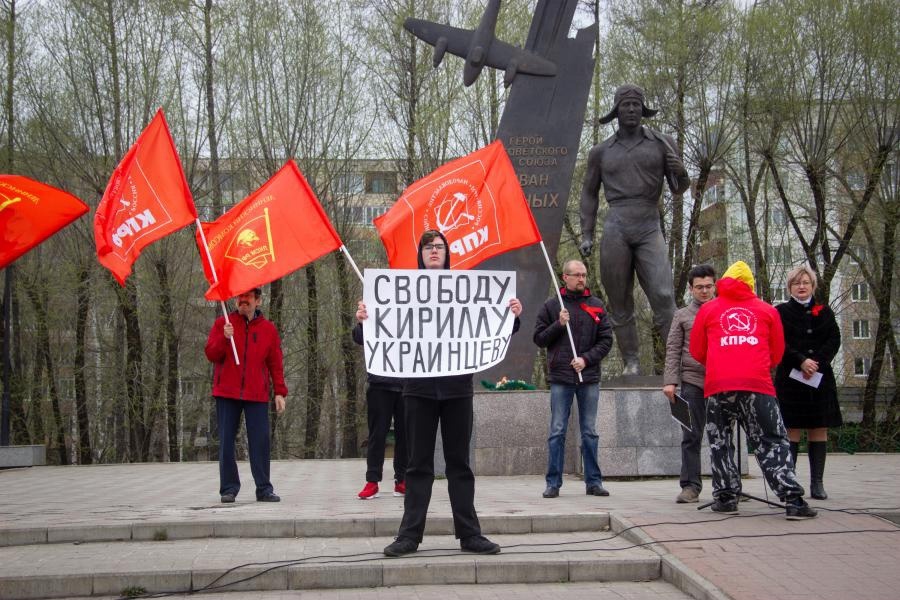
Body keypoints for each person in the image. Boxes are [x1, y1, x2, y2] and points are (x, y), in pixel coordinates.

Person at [358, 230, 523, 557]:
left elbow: (491, 326)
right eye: (428, 247)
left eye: (439, 247)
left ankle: (470, 534)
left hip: (457, 390)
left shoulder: (466, 288)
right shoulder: (400, 291)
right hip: (418, 390)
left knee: (459, 464)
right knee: (417, 466)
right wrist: (364, 319)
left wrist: (512, 315)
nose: (434, 252)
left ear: (448, 254)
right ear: (420, 254)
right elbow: (366, 336)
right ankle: (409, 536)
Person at [689, 261, 816, 519]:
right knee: (771, 440)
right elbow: (777, 352)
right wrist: (754, 366)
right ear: (751, 284)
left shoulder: (708, 310)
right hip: (758, 386)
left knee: (720, 442)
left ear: (723, 281)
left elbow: (697, 350)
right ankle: (792, 500)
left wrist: (720, 364)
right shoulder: (767, 311)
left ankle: (725, 498)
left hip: (718, 386)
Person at [579, 84, 691, 375]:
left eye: (636, 105)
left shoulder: (662, 142)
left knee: (664, 296)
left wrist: (680, 171)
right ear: (616, 111)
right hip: (616, 224)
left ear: (643, 109)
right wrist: (587, 233)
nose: (631, 110)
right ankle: (631, 361)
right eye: (626, 105)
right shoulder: (600, 151)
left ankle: (674, 363)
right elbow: (589, 193)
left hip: (648, 223)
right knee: (619, 301)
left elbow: (680, 188)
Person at [534, 259, 613, 499]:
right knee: (557, 430)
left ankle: (594, 482)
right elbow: (539, 339)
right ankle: (553, 483)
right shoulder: (551, 306)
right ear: (565, 278)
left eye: (584, 275)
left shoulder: (596, 305)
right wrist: (559, 324)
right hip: (561, 378)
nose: (581, 279)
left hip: (588, 377)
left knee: (589, 431)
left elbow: (606, 340)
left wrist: (586, 359)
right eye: (576, 275)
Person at [205, 287, 286, 503]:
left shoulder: (268, 329)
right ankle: (229, 488)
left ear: (258, 301)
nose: (243, 301)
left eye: (248, 297)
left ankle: (264, 488)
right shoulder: (223, 323)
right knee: (226, 442)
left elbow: (275, 363)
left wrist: (279, 391)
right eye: (240, 297)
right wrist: (224, 338)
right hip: (227, 392)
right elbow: (211, 354)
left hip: (256, 394)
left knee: (260, 442)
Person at [774, 265, 841, 500]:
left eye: (805, 283)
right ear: (790, 287)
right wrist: (801, 361)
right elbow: (779, 342)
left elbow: (834, 339)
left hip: (819, 378)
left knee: (818, 428)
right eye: (796, 283)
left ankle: (817, 483)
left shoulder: (824, 312)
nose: (801, 287)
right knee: (791, 429)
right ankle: (790, 484)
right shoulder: (780, 312)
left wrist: (816, 362)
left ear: (813, 286)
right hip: (791, 379)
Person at [663, 264, 716, 504]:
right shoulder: (682, 315)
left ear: (714, 286)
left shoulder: (724, 311)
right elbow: (673, 348)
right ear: (691, 289)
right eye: (699, 287)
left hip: (722, 382)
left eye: (708, 286)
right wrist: (671, 382)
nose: (704, 291)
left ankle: (728, 483)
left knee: (723, 435)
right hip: (692, 382)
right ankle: (690, 486)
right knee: (691, 435)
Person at [352, 319, 406, 499]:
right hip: (379, 383)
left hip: (408, 382)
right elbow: (359, 337)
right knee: (377, 434)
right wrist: (361, 322)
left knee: (406, 435)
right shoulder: (375, 303)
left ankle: (402, 479)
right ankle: (372, 481)